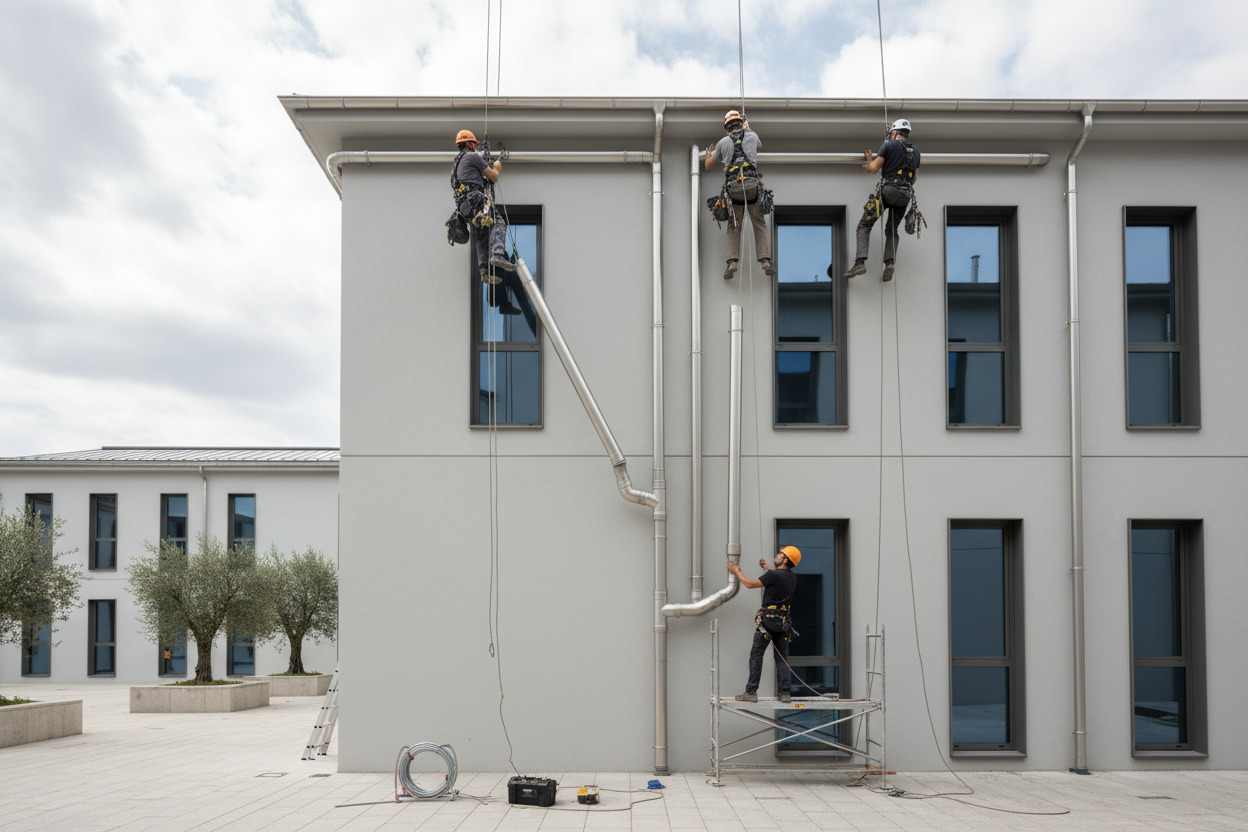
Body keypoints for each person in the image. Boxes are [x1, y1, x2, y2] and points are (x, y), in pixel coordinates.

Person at [845, 118, 920, 282]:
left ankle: (860, 262)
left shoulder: (888, 146)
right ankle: (890, 263)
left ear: (894, 132)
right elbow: (913, 179)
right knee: (892, 230)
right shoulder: (916, 151)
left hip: (888, 191)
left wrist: (867, 162)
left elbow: (873, 168)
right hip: (905, 195)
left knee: (864, 225)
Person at [707, 110, 776, 280]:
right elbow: (758, 147)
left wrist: (710, 154)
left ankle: (732, 263)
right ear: (741, 123)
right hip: (752, 186)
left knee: (733, 226)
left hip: (734, 188)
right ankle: (765, 260)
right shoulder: (752, 136)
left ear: (726, 128)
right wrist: (749, 129)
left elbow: (708, 166)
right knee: (759, 223)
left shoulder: (723, 142)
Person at [728, 545, 801, 703]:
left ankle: (751, 692)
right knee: (781, 658)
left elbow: (749, 584)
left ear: (785, 559)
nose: (777, 555)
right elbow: (777, 579)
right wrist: (768, 568)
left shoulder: (774, 575)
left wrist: (736, 571)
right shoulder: (791, 577)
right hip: (783, 623)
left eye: (780, 554)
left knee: (756, 655)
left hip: (768, 621)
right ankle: (785, 693)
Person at [451, 129, 516, 285]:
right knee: (498, 222)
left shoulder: (457, 161)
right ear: (468, 143)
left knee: (481, 233)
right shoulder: (472, 156)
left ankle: (484, 271)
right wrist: (497, 167)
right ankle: (497, 255)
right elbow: (493, 177)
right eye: (474, 143)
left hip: (464, 206)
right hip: (475, 198)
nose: (475, 147)